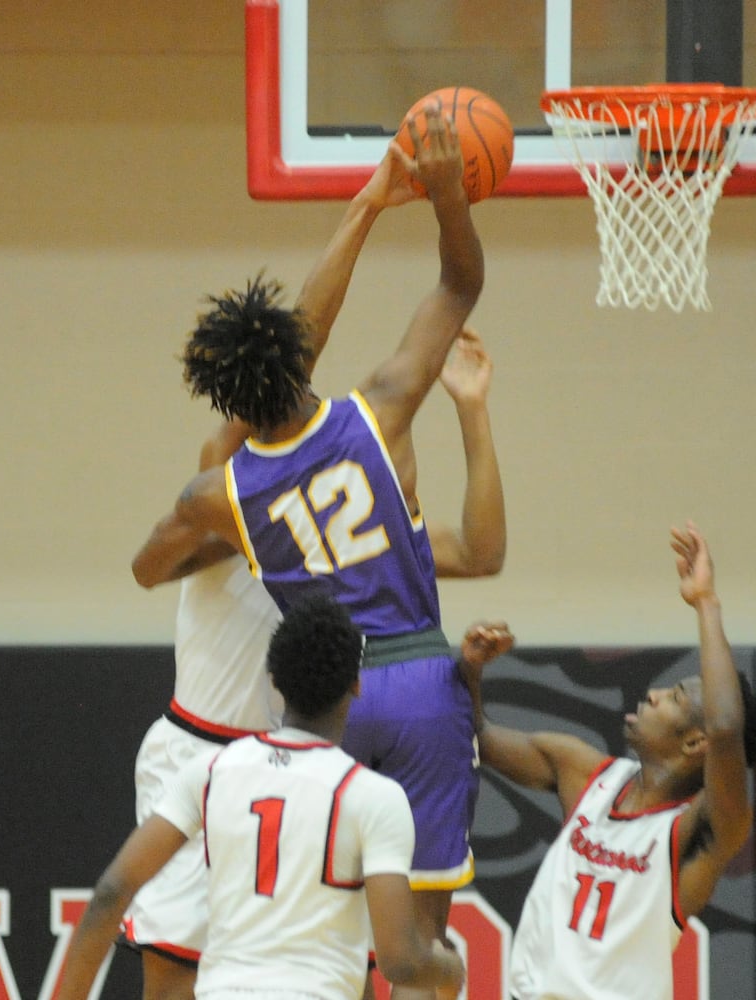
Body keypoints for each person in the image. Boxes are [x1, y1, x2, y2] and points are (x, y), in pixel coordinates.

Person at [127, 104, 487, 1000]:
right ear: (298, 363)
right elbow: (457, 285)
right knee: (411, 955)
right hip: (371, 697)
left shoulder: (224, 495)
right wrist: (443, 201)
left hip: (319, 724)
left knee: (315, 952)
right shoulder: (376, 414)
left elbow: (144, 561)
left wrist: (212, 545)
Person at [60, 594, 466, 1000]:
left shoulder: (211, 772)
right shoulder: (374, 797)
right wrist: (449, 967)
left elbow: (112, 892)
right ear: (358, 684)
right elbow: (401, 961)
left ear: (273, 679)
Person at [456, 522, 756, 1000]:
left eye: (675, 697)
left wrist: (706, 602)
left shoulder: (697, 831)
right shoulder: (585, 773)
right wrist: (471, 667)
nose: (653, 693)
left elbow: (727, 728)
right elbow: (473, 736)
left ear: (694, 744)